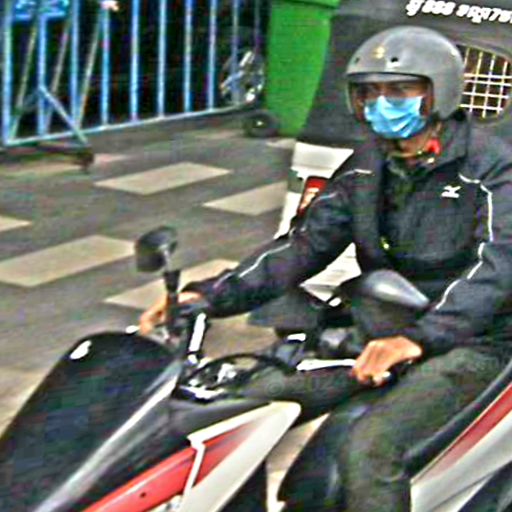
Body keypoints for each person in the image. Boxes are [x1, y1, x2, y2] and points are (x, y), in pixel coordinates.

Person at [140, 26, 512, 511]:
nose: (381, 104)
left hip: (472, 343)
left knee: (370, 449)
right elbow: (304, 244)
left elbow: (495, 268)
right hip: (382, 330)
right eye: (369, 92)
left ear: (438, 92)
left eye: (399, 90)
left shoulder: (490, 168)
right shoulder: (368, 165)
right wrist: (208, 296)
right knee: (239, 404)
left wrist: (419, 339)